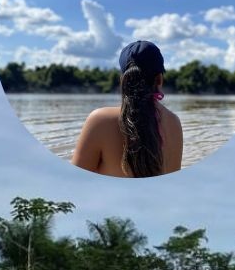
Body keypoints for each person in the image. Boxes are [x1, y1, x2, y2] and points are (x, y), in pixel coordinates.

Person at [72, 40, 183, 177]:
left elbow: (74, 182)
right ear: (159, 79)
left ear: (122, 81)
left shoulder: (100, 121)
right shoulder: (174, 123)